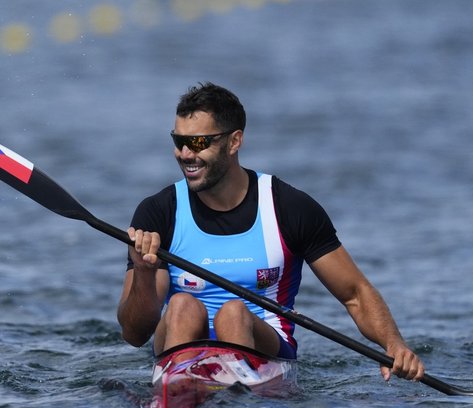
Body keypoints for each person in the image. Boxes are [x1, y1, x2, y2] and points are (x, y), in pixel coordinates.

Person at [117, 82, 424, 382]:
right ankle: (182, 393)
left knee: (233, 313)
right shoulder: (158, 212)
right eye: (178, 141)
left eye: (198, 143)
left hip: (263, 347)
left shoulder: (288, 208)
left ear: (234, 142)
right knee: (183, 306)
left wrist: (394, 345)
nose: (184, 154)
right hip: (181, 342)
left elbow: (355, 294)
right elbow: (134, 334)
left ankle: (236, 396)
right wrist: (144, 273)